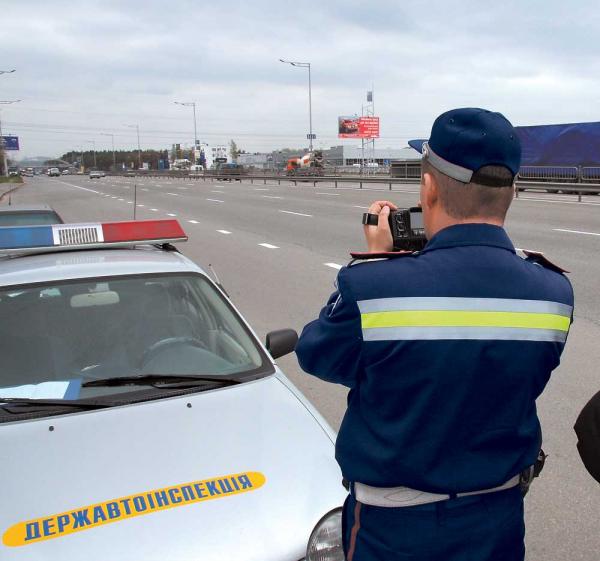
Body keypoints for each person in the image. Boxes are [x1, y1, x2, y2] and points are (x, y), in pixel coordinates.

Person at [295, 108, 574, 561]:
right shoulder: (554, 293)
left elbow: (316, 355)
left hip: (393, 530)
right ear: (512, 191)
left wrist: (378, 261)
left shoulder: (374, 286)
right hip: (498, 521)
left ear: (428, 187)